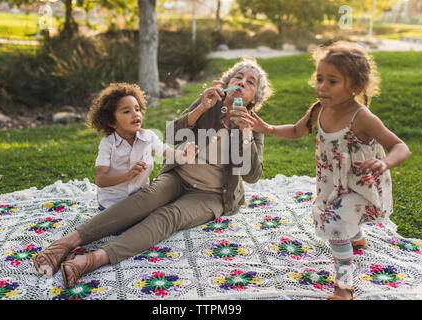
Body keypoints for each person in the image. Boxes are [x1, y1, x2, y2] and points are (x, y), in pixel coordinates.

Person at [33, 58, 273, 289]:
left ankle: (90, 260)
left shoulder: (253, 126)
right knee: (146, 198)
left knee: (168, 217)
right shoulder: (209, 104)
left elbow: (252, 176)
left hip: (211, 195)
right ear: (227, 83)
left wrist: (246, 136)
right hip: (180, 175)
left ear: (255, 98)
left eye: (250, 82)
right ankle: (65, 244)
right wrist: (201, 107)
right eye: (238, 77)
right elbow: (171, 136)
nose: (242, 82)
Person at [237, 41, 410, 300]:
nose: (322, 87)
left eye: (332, 81)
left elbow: (399, 146)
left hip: (361, 184)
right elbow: (297, 130)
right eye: (319, 79)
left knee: (337, 224)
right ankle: (357, 237)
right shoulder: (320, 109)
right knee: (337, 210)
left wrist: (384, 163)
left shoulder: (362, 117)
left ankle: (344, 286)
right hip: (335, 182)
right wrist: (269, 129)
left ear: (355, 86)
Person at [87, 82, 167, 210]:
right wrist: (128, 175)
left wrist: (184, 153)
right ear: (112, 122)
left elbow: (166, 151)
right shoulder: (108, 144)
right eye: (126, 111)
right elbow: (101, 180)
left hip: (139, 199)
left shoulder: (148, 137)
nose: (135, 114)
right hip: (112, 203)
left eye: (137, 109)